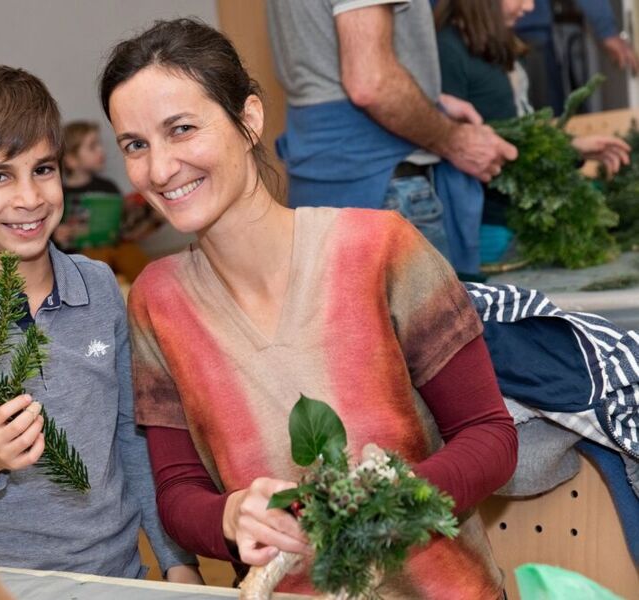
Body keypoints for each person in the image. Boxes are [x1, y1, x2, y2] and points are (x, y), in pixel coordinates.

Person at [101, 19, 517, 598]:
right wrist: (230, 517)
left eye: (182, 129)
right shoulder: (157, 297)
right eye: (136, 145)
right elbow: (177, 492)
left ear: (249, 119)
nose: (160, 168)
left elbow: (490, 436)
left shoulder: (381, 248)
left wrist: (389, 502)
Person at [0, 63, 200, 582]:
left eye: (43, 169)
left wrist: (175, 559)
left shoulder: (98, 289)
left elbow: (130, 436)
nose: (30, 198)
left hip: (114, 575)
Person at [266, 0, 518, 277]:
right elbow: (371, 83)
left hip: (319, 185)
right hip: (380, 188)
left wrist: (430, 101)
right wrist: (456, 141)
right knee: (426, 321)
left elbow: (327, 63)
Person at [435, 0, 630, 263]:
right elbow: (483, 145)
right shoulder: (448, 50)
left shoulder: (502, 46)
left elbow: (518, 129)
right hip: (488, 227)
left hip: (514, 218)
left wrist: (572, 146)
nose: (529, 7)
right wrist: (567, 149)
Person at [55, 121, 152, 282]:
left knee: (130, 253)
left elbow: (122, 221)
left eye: (99, 144)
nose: (101, 150)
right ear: (71, 160)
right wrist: (58, 234)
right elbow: (54, 237)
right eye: (93, 146)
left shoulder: (108, 186)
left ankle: (149, 287)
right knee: (93, 262)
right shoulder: (59, 195)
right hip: (82, 253)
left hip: (115, 245)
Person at [514, 0, 639, 114]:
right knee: (545, 118)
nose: (528, 5)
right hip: (527, 35)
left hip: (529, 35)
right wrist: (607, 30)